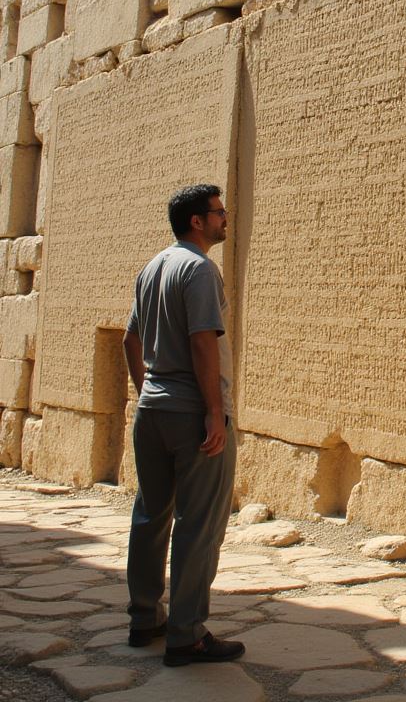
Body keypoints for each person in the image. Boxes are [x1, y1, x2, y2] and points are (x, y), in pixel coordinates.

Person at [121, 184, 245, 667]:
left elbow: (130, 340)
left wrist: (145, 390)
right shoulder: (198, 269)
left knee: (151, 516)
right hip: (192, 413)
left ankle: (144, 618)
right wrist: (214, 411)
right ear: (197, 221)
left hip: (152, 412)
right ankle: (187, 634)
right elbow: (202, 342)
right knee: (199, 524)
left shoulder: (152, 267)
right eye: (218, 212)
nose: (225, 218)